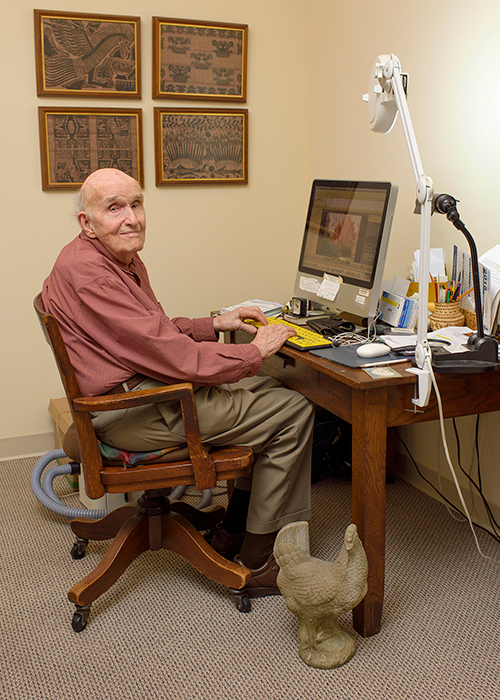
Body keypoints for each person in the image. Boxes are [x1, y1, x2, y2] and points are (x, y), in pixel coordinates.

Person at [42, 168, 315, 599]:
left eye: (136, 204)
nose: (131, 218)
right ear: (86, 222)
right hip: (129, 411)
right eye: (114, 208)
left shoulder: (109, 258)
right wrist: (254, 352)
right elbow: (174, 356)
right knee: (293, 411)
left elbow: (153, 332)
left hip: (140, 392)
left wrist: (215, 324)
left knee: (268, 392)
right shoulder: (94, 275)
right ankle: (260, 559)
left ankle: (231, 532)